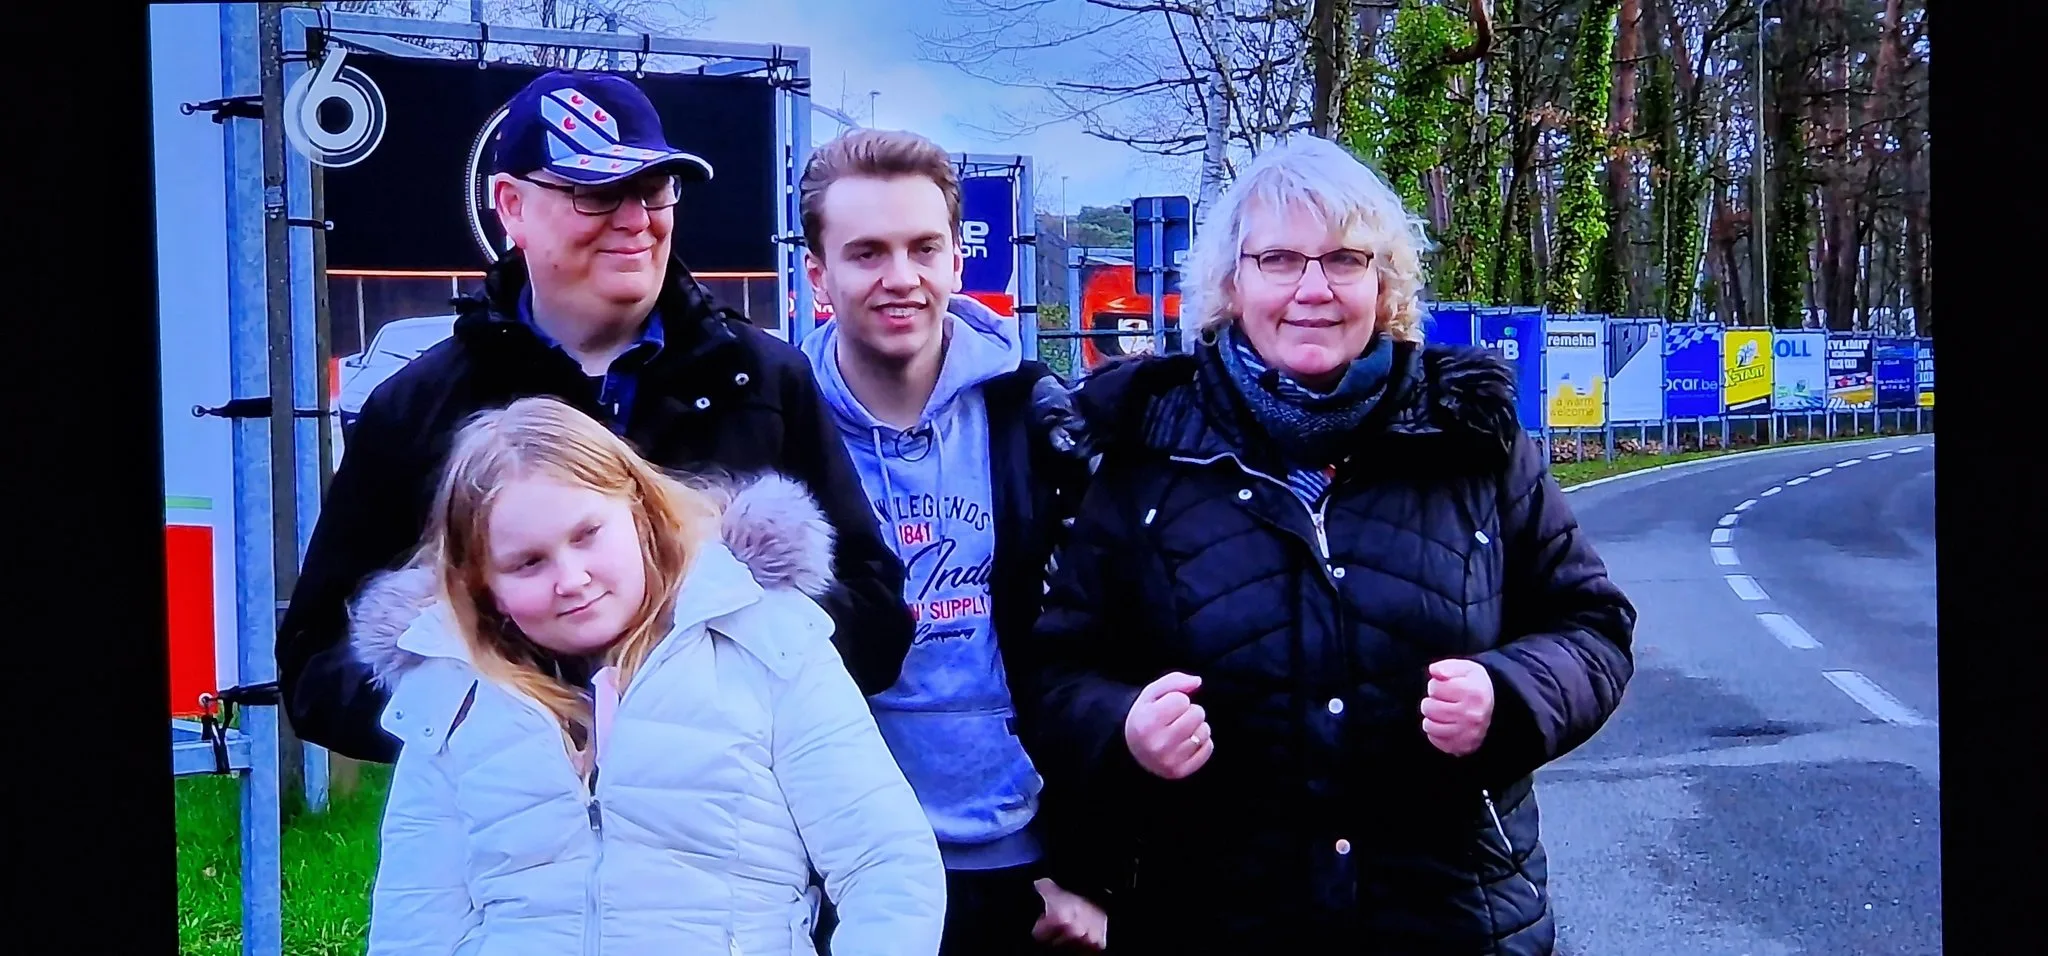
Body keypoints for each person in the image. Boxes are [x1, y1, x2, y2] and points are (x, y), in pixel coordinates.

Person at [1027, 135, 1637, 954]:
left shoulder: (1470, 440)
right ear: (1231, 282)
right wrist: (1123, 726)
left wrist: (1510, 694)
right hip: (1211, 919)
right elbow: (1055, 668)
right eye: (1280, 259)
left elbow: (1593, 626)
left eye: (1344, 260)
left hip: (1454, 922)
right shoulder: (1144, 453)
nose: (1313, 289)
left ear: (1382, 284)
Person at [276, 69, 914, 763]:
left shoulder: (762, 380)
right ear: (510, 206)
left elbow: (875, 614)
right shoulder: (419, 410)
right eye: (595, 192)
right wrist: (500, 708)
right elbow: (319, 669)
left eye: (653, 189)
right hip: (511, 849)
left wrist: (726, 678)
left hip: (730, 841)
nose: (637, 219)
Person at [352, 396, 945, 955]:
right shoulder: (451, 697)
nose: (572, 578)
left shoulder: (768, 645)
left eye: (587, 536)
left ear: (639, 512)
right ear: (487, 588)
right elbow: (415, 920)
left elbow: (886, 865)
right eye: (528, 563)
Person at [793, 128, 1108, 953]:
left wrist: (1088, 867)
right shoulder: (777, 432)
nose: (902, 279)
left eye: (924, 247)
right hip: (833, 868)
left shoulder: (1034, 420)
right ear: (818, 274)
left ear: (957, 259)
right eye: (867, 253)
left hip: (1024, 868)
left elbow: (1100, 643)